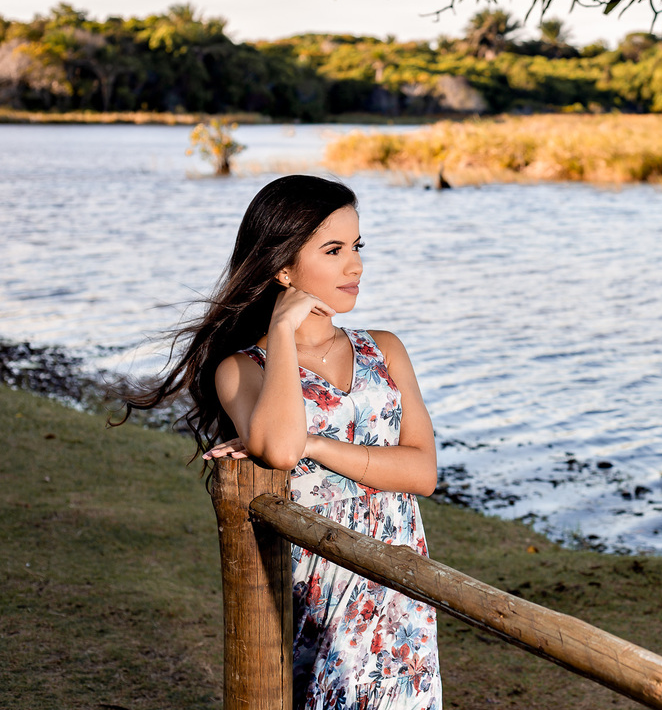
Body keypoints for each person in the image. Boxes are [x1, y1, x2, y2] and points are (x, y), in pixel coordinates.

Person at [121, 174, 441, 710]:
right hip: (321, 589)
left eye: (357, 246)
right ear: (283, 268)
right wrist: (284, 334)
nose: (356, 266)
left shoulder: (385, 349)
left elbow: (422, 472)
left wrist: (318, 444)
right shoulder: (242, 370)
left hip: (399, 588)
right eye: (334, 250)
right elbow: (282, 449)